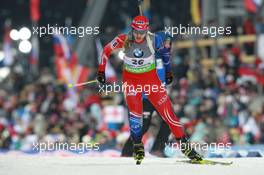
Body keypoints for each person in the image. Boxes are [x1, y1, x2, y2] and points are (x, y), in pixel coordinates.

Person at [97, 15, 202, 164]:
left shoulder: (154, 39)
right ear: (132, 29)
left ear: (147, 30)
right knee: (136, 117)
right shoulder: (124, 39)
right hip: (132, 83)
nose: (139, 35)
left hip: (151, 83)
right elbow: (106, 50)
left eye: (142, 32)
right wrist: (101, 71)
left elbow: (166, 52)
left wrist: (168, 72)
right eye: (136, 32)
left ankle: (186, 148)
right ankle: (137, 146)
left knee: (170, 116)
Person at [121, 31, 171, 157]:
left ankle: (157, 149)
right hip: (145, 97)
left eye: (169, 43)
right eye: (166, 43)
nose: (168, 46)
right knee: (143, 127)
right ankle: (126, 153)